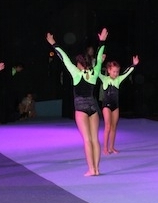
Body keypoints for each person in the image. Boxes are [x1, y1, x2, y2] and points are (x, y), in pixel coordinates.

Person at [46, 28, 108, 176]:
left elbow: (64, 57)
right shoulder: (94, 72)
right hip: (93, 108)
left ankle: (91, 169)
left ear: (79, 64)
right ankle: (97, 169)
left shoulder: (75, 73)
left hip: (81, 109)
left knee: (87, 140)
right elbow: (99, 58)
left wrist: (53, 43)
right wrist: (102, 41)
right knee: (95, 140)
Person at [99, 56, 139, 154]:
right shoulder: (104, 79)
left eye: (117, 72)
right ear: (109, 70)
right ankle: (105, 148)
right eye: (114, 71)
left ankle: (111, 147)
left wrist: (133, 65)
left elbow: (127, 73)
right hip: (106, 106)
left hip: (115, 106)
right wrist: (100, 61)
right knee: (108, 126)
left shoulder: (118, 79)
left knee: (113, 127)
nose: (116, 73)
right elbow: (97, 72)